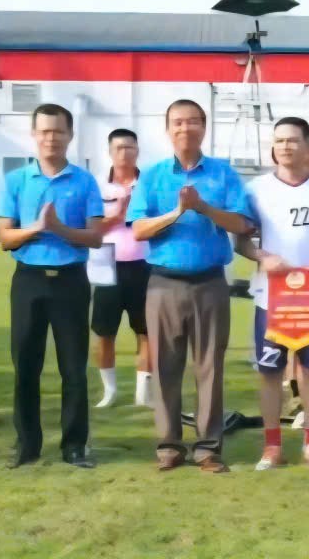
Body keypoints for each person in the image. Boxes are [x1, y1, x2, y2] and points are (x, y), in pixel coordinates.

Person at [128, 99, 250, 474]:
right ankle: (169, 444)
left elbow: (242, 224)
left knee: (209, 366)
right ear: (168, 129)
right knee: (165, 365)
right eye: (178, 122)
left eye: (193, 121)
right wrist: (177, 213)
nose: (185, 128)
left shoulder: (223, 174)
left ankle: (208, 447)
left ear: (204, 127)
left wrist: (203, 209)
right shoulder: (152, 176)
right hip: (164, 283)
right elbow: (138, 229)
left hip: (210, 282)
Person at [0, 103, 104, 469]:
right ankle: (27, 444)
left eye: (58, 131)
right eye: (44, 131)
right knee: (25, 366)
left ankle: (74, 445)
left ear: (70, 135)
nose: (51, 138)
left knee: (73, 368)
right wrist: (37, 229)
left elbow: (94, 237)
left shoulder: (85, 181)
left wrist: (60, 229)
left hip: (71, 281)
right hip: (28, 280)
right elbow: (6, 237)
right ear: (33, 135)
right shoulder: (16, 180)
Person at [237, 117, 309, 470]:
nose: (284, 146)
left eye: (292, 140)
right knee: (271, 371)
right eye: (279, 140)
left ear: (308, 146)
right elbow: (241, 239)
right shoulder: (255, 189)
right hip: (271, 298)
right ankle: (272, 447)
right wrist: (261, 256)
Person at [91, 128, 152, 408]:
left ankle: (143, 394)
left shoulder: (149, 184)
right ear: (110, 151)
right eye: (119, 148)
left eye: (130, 147)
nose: (125, 153)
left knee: (147, 331)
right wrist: (119, 213)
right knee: (104, 331)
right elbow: (91, 228)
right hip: (106, 263)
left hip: (144, 263)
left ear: (137, 150)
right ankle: (109, 391)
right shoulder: (97, 187)